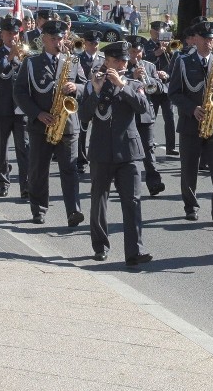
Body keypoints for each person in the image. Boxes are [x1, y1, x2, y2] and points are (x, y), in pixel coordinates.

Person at [83, 41, 152, 266]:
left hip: (129, 152)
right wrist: (95, 90)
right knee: (99, 200)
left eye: (124, 60)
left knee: (132, 201)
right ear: (106, 61)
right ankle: (100, 246)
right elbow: (83, 115)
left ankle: (135, 251)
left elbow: (144, 108)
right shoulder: (93, 82)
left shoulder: (132, 83)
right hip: (101, 151)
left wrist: (122, 85)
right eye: (116, 61)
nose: (122, 64)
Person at [13, 20, 87, 225]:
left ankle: (73, 211)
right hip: (41, 125)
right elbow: (19, 93)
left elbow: (85, 86)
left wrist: (76, 88)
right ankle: (39, 209)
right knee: (38, 169)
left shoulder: (72, 61)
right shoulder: (31, 63)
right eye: (53, 38)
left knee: (70, 170)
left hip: (68, 124)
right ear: (43, 39)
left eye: (60, 38)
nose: (58, 42)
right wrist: (37, 114)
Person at [168, 20, 213, 223]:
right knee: (189, 168)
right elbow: (174, 93)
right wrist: (191, 109)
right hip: (191, 123)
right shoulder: (183, 61)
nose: (209, 42)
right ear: (195, 39)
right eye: (205, 38)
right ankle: (191, 206)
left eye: (211, 38)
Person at [0, 17, 30, 198]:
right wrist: (8, 58)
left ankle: (25, 185)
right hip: (0, 107)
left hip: (21, 109)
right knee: (1, 149)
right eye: (9, 33)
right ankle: (3, 183)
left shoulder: (26, 54)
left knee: (24, 148)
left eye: (15, 33)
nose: (13, 37)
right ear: (2, 34)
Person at [126, 35, 166, 196]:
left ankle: (154, 183)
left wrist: (153, 83)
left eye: (139, 52)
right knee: (128, 151)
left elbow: (160, 88)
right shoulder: (122, 66)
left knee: (149, 149)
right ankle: (127, 182)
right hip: (128, 114)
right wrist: (132, 78)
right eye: (133, 52)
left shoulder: (149, 66)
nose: (137, 55)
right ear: (128, 52)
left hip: (146, 114)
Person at [143, 21, 177, 156]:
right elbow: (145, 60)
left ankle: (171, 147)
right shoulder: (147, 45)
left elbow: (174, 63)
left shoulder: (169, 46)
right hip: (153, 86)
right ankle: (149, 143)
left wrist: (168, 50)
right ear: (151, 32)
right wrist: (157, 52)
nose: (159, 34)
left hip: (167, 86)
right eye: (156, 31)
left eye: (161, 32)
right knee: (151, 117)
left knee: (170, 117)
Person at [75, 30, 105, 173]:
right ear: (85, 43)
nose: (95, 46)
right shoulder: (77, 58)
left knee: (100, 129)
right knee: (82, 129)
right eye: (92, 43)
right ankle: (81, 159)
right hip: (82, 98)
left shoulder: (103, 59)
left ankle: (98, 157)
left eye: (97, 43)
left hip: (98, 96)